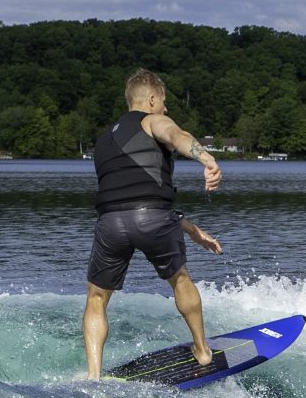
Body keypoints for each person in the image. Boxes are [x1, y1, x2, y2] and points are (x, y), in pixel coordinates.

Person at [83, 69, 225, 379]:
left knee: (96, 298)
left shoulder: (104, 141)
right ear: (150, 99)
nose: (166, 110)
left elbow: (129, 197)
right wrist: (206, 159)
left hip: (109, 224)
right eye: (164, 102)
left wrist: (190, 229)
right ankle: (202, 351)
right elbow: (177, 136)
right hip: (154, 220)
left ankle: (93, 376)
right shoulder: (151, 121)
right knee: (180, 280)